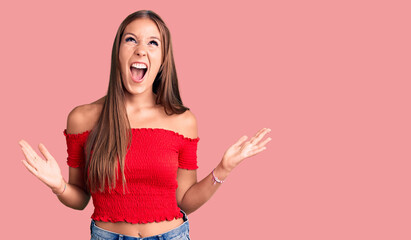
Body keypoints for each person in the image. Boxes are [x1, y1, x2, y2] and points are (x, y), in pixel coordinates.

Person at [18, 10, 272, 240]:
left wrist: (223, 169)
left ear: (162, 60)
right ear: (117, 52)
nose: (141, 50)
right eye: (131, 40)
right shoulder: (82, 118)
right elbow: (80, 198)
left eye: (153, 42)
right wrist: (58, 186)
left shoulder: (183, 120)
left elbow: (185, 200)